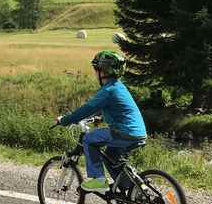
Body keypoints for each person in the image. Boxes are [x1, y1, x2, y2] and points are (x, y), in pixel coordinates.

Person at [56, 50, 147, 192]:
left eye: (95, 69)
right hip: (137, 132)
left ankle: (98, 180)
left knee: (88, 140)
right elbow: (117, 109)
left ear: (103, 71)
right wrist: (100, 118)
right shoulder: (118, 87)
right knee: (110, 155)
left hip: (124, 132)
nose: (94, 73)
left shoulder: (108, 90)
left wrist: (65, 120)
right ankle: (127, 188)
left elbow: (87, 108)